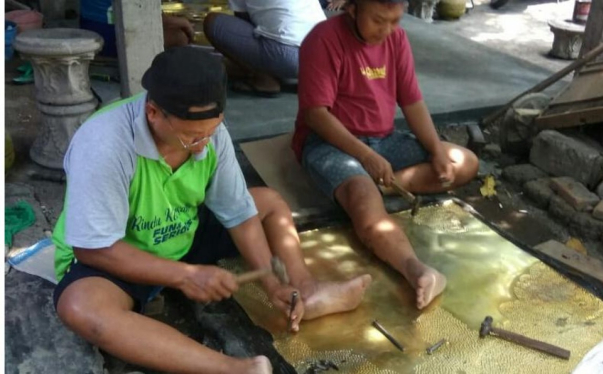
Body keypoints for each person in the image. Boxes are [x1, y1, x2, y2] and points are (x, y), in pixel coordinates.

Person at [52, 47, 371, 374]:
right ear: (152, 113)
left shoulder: (207, 133)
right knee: (81, 307)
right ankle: (234, 368)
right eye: (191, 138)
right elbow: (94, 248)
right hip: (123, 253)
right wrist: (185, 276)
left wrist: (272, 282)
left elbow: (239, 213)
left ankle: (303, 292)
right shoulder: (103, 144)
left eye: (211, 131)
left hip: (181, 230)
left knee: (270, 203)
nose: (203, 145)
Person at [292, 0, 479, 310]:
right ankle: (416, 269)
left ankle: (373, 187)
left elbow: (412, 102)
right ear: (352, 8)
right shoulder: (322, 39)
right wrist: (365, 157)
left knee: (464, 162)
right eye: (379, 20)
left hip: (384, 140)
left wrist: (436, 151)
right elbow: (315, 115)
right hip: (330, 143)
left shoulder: (397, 39)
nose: (388, 30)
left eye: (395, 20)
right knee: (367, 209)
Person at [203, 0, 325, 97]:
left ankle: (264, 79)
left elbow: (243, 19)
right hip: (323, 55)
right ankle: (308, 79)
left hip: (286, 56)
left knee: (212, 22)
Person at [80, 0, 194, 57]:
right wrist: (183, 23)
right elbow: (146, 15)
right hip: (107, 34)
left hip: (88, 27)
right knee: (179, 37)